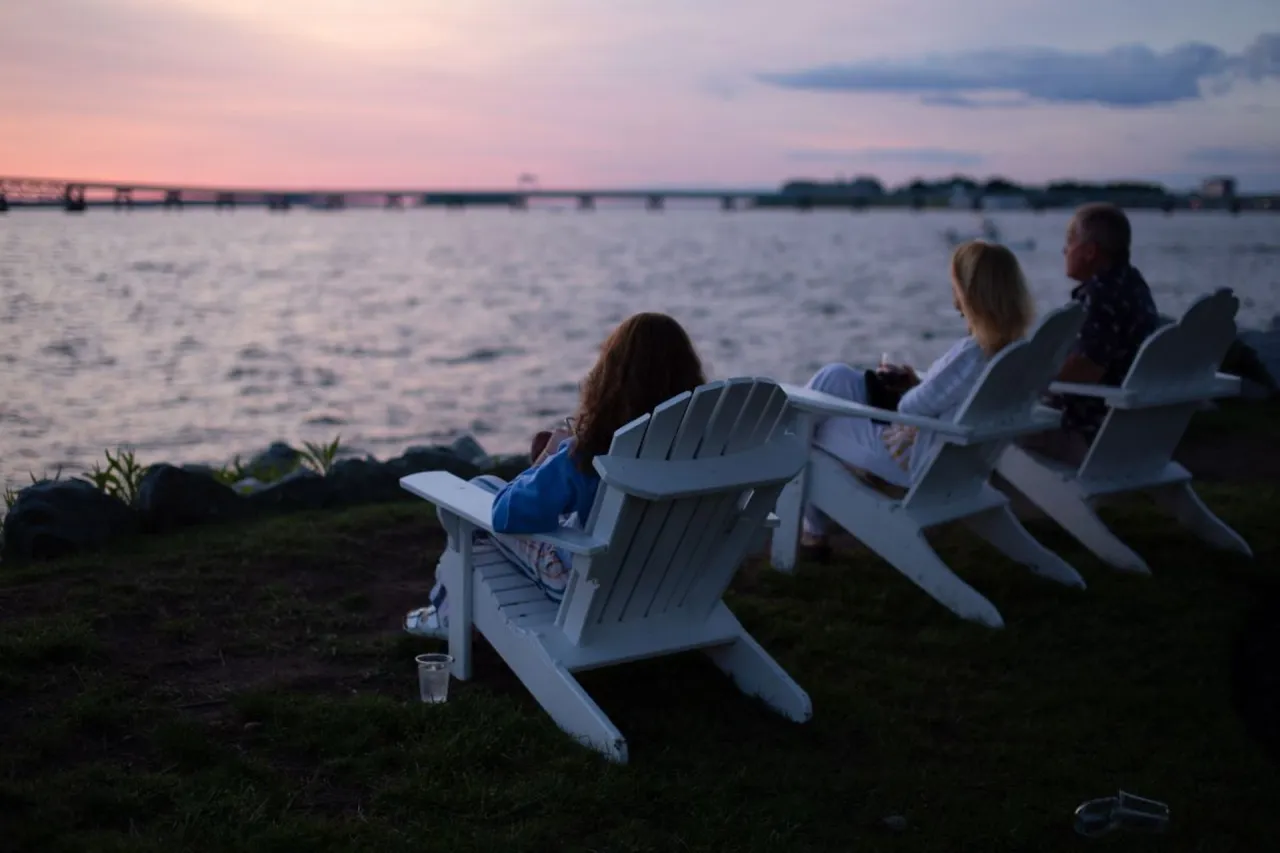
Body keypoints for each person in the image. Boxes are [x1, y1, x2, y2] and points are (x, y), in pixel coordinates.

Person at [405, 312, 707, 638]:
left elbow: (507, 514)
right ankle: (455, 609)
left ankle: (445, 614)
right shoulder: (702, 450)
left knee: (480, 493)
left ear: (612, 380)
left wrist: (549, 458)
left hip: (584, 587)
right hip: (670, 579)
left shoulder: (589, 453)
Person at [800, 240, 1035, 556]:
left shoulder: (971, 353)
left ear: (969, 291)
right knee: (836, 377)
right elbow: (951, 392)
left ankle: (810, 528)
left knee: (807, 421)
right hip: (954, 454)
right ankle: (812, 524)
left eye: (956, 286)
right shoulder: (1012, 351)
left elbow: (911, 407)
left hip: (915, 458)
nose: (954, 296)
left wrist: (910, 388)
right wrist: (918, 380)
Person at [1019, 203, 1160, 464]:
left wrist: (1024, 377)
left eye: (1070, 242)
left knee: (991, 432)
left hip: (1087, 432)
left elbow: (1084, 371)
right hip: (1129, 427)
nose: (1065, 249)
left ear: (1090, 251)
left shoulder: (1101, 298)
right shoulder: (1132, 283)